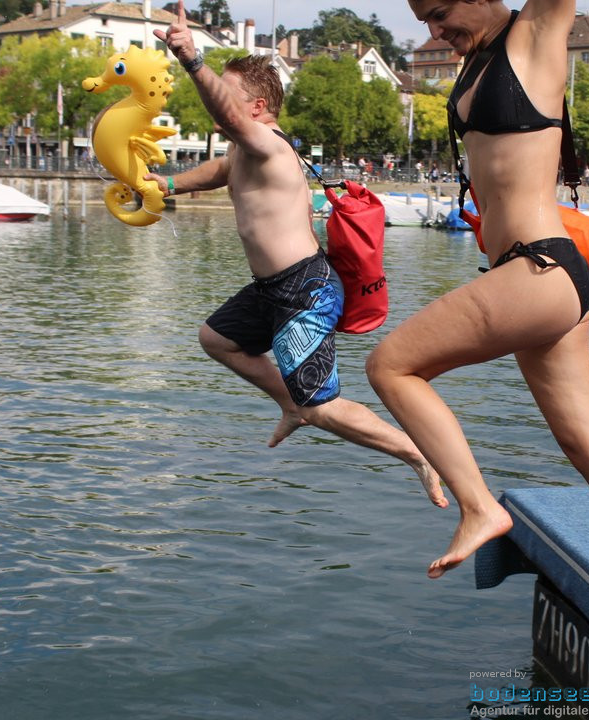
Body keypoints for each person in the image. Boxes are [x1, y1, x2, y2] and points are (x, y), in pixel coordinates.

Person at [367, 0, 589, 677]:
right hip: (537, 278)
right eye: (423, 18)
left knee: (392, 366)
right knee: (586, 443)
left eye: (440, 11)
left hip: (539, 268)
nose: (434, 30)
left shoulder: (536, 33)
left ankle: (480, 508)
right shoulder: (479, 53)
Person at [150, 4, 444, 505]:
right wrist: (167, 185)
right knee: (217, 339)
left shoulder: (268, 145)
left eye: (230, 92)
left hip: (305, 290)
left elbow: (224, 114)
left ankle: (420, 454)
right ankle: (290, 402)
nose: (217, 103)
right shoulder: (243, 153)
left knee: (323, 408)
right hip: (272, 288)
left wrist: (193, 61)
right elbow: (218, 171)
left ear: (259, 107)